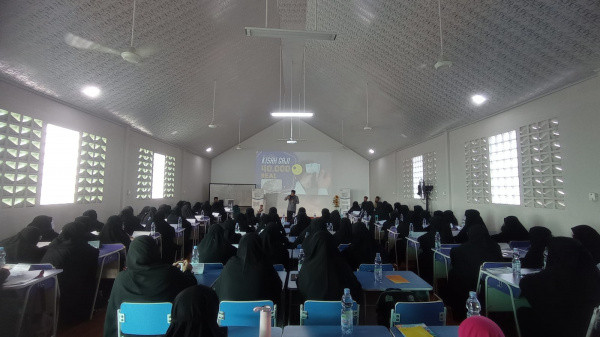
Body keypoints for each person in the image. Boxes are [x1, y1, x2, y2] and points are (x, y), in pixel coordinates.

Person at [103, 236, 197, 337]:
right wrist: (187, 270)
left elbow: (112, 316)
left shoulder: (121, 279)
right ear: (155, 252)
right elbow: (192, 284)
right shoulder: (170, 274)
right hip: (167, 332)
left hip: (130, 333)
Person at [518, 237, 600, 337]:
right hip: (588, 329)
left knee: (523, 313)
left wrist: (546, 272)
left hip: (560, 329)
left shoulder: (550, 278)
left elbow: (525, 283)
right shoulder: (593, 275)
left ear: (555, 253)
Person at [41, 222, 99, 325]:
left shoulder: (54, 243)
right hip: (69, 288)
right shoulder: (78, 247)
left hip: (49, 286)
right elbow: (94, 255)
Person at [447, 224, 502, 320]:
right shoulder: (495, 247)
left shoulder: (459, 250)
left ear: (470, 234)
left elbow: (455, 264)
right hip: (492, 285)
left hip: (469, 285)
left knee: (453, 273)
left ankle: (457, 312)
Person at [213, 233, 282, 304]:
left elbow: (218, 289)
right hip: (261, 313)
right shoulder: (265, 265)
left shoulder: (230, 265)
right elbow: (278, 289)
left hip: (229, 313)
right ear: (260, 247)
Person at [297, 231, 362, 301]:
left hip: (312, 310)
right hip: (340, 310)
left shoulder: (307, 268)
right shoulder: (343, 266)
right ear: (333, 245)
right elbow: (356, 288)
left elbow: (300, 287)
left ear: (313, 245)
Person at [418, 215, 455, 284]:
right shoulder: (449, 235)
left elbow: (422, 245)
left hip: (433, 262)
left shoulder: (426, 237)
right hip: (448, 262)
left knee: (421, 256)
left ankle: (424, 282)